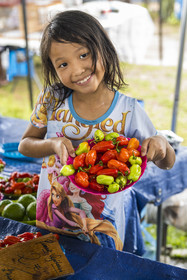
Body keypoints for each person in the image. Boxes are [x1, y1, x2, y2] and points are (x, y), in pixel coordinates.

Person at [18, 10, 175, 253]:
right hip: (53, 215)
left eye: (84, 55)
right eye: (63, 64)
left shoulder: (128, 110)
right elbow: (25, 144)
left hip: (103, 223)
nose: (78, 69)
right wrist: (52, 144)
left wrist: (162, 144)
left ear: (104, 48)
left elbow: (167, 163)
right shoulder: (51, 99)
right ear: (53, 67)